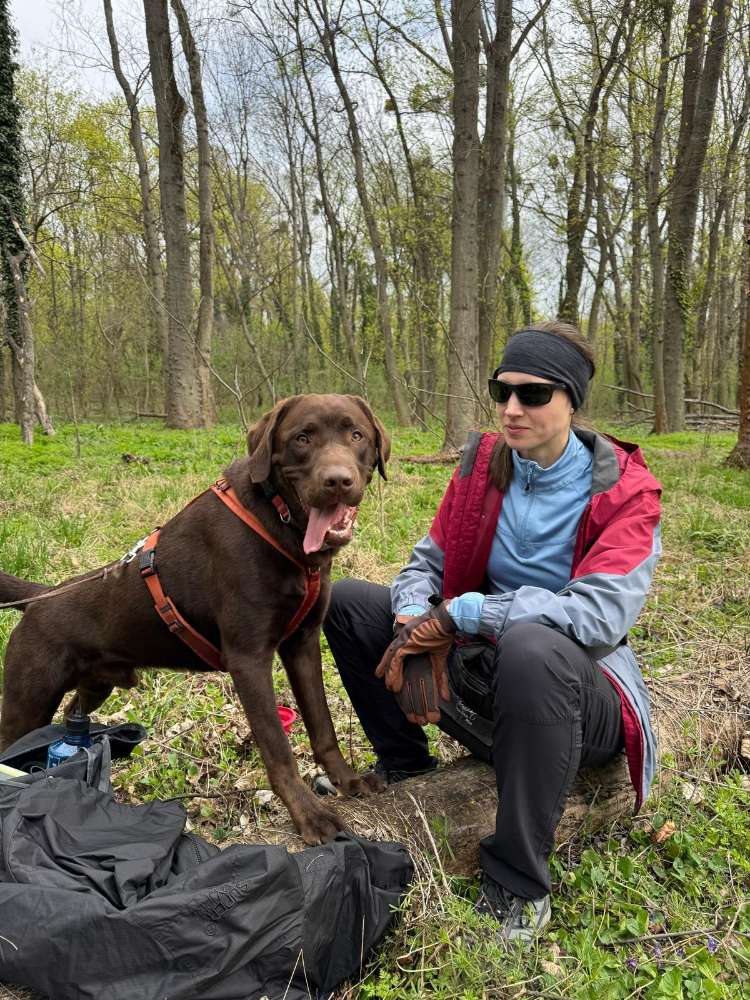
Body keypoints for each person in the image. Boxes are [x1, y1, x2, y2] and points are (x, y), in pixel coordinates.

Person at [323, 321, 661, 944]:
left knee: (533, 645)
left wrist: (462, 616)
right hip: (489, 680)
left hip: (583, 706)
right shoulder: (482, 467)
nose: (512, 408)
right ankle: (406, 767)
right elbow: (426, 563)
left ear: (572, 401)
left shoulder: (623, 490)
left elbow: (599, 617)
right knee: (346, 603)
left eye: (533, 395)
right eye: (501, 390)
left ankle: (519, 882)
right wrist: (412, 623)